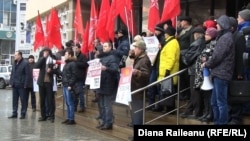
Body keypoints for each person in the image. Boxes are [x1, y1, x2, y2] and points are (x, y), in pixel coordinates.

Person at [201, 15, 235, 125]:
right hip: (219, 73)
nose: (216, 25)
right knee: (214, 102)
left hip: (222, 74)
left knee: (220, 102)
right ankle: (217, 122)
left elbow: (217, 57)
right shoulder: (224, 37)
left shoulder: (225, 38)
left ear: (223, 25)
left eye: (218, 23)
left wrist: (207, 64)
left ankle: (222, 124)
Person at [180, 27, 206, 119]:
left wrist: (183, 56)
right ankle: (189, 110)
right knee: (196, 92)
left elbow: (188, 60)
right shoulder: (204, 42)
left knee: (195, 92)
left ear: (196, 34)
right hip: (201, 70)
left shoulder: (196, 44)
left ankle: (197, 112)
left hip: (194, 71)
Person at [129, 40, 151, 141]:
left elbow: (146, 75)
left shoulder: (145, 60)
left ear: (141, 49)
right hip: (134, 89)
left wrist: (137, 72)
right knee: (135, 113)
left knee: (138, 114)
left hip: (139, 90)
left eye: (136, 48)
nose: (134, 49)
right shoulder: (138, 58)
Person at [194, 27, 217, 122]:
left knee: (209, 96)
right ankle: (206, 112)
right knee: (205, 95)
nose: (205, 36)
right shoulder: (206, 45)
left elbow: (211, 58)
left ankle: (210, 114)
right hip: (202, 74)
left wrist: (205, 61)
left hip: (208, 75)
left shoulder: (213, 45)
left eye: (208, 34)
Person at [95, 42, 119, 130]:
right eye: (103, 46)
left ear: (110, 47)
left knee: (107, 105)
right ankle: (104, 121)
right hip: (100, 83)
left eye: (105, 46)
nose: (103, 48)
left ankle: (108, 122)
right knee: (101, 104)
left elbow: (115, 69)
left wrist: (106, 68)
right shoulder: (101, 57)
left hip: (108, 84)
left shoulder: (112, 57)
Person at [156, 26, 180, 113]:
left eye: (165, 33)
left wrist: (167, 70)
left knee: (169, 91)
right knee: (166, 90)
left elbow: (171, 58)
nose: (164, 35)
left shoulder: (172, 43)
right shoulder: (169, 42)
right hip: (165, 71)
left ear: (168, 34)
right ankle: (166, 107)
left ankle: (170, 108)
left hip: (169, 72)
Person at [228, 16, 245, 124]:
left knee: (236, 94)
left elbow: (240, 56)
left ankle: (236, 117)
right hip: (228, 70)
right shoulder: (229, 36)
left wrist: (240, 72)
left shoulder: (239, 37)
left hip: (236, 71)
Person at [35, 47, 57, 123]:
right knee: (42, 100)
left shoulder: (52, 58)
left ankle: (51, 116)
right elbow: (36, 66)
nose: (46, 52)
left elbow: (56, 69)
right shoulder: (41, 58)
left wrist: (51, 71)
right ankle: (43, 115)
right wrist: (43, 58)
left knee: (50, 99)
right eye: (45, 51)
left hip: (49, 82)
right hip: (41, 81)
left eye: (47, 51)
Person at [8, 51, 29, 119]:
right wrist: (11, 82)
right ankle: (14, 113)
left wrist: (25, 84)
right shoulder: (14, 63)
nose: (14, 56)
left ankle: (23, 113)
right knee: (14, 100)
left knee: (23, 100)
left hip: (22, 85)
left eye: (16, 55)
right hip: (15, 84)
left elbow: (27, 75)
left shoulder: (25, 63)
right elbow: (12, 73)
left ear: (20, 55)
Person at [61, 49, 78, 125]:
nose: (65, 56)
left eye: (66, 54)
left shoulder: (72, 64)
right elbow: (64, 74)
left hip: (69, 85)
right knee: (67, 102)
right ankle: (68, 118)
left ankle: (71, 119)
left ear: (70, 55)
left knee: (70, 102)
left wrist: (70, 85)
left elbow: (74, 75)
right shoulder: (66, 64)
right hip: (65, 84)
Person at [72, 43, 89, 113]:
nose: (75, 50)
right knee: (74, 93)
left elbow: (85, 64)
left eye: (76, 48)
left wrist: (76, 61)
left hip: (80, 77)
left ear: (79, 48)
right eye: (74, 48)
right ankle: (75, 106)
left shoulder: (83, 56)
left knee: (80, 93)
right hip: (74, 77)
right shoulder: (73, 56)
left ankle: (82, 106)